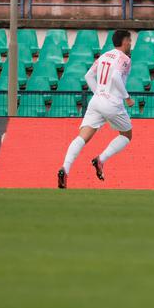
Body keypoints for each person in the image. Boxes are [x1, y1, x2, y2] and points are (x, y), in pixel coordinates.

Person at [58, 30, 135, 189]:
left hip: (96, 101)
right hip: (113, 103)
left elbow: (88, 76)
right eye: (129, 40)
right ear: (124, 41)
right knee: (127, 135)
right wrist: (127, 97)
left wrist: (99, 93)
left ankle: (65, 168)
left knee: (82, 137)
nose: (130, 43)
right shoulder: (124, 58)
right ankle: (101, 159)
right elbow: (115, 77)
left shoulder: (104, 55)